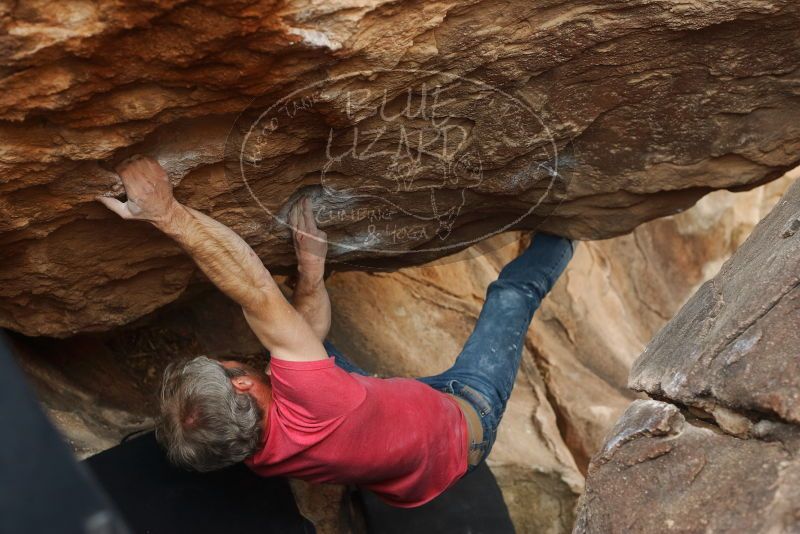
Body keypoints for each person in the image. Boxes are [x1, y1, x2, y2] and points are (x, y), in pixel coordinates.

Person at [98, 155, 575, 508]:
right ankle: (571, 228)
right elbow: (255, 291)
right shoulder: (316, 396)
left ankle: (329, 330)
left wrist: (310, 268)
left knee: (307, 342)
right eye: (227, 367)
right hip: (466, 417)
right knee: (512, 294)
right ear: (241, 384)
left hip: (401, 472)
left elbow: (303, 344)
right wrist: (166, 212)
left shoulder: (247, 451)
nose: (232, 361)